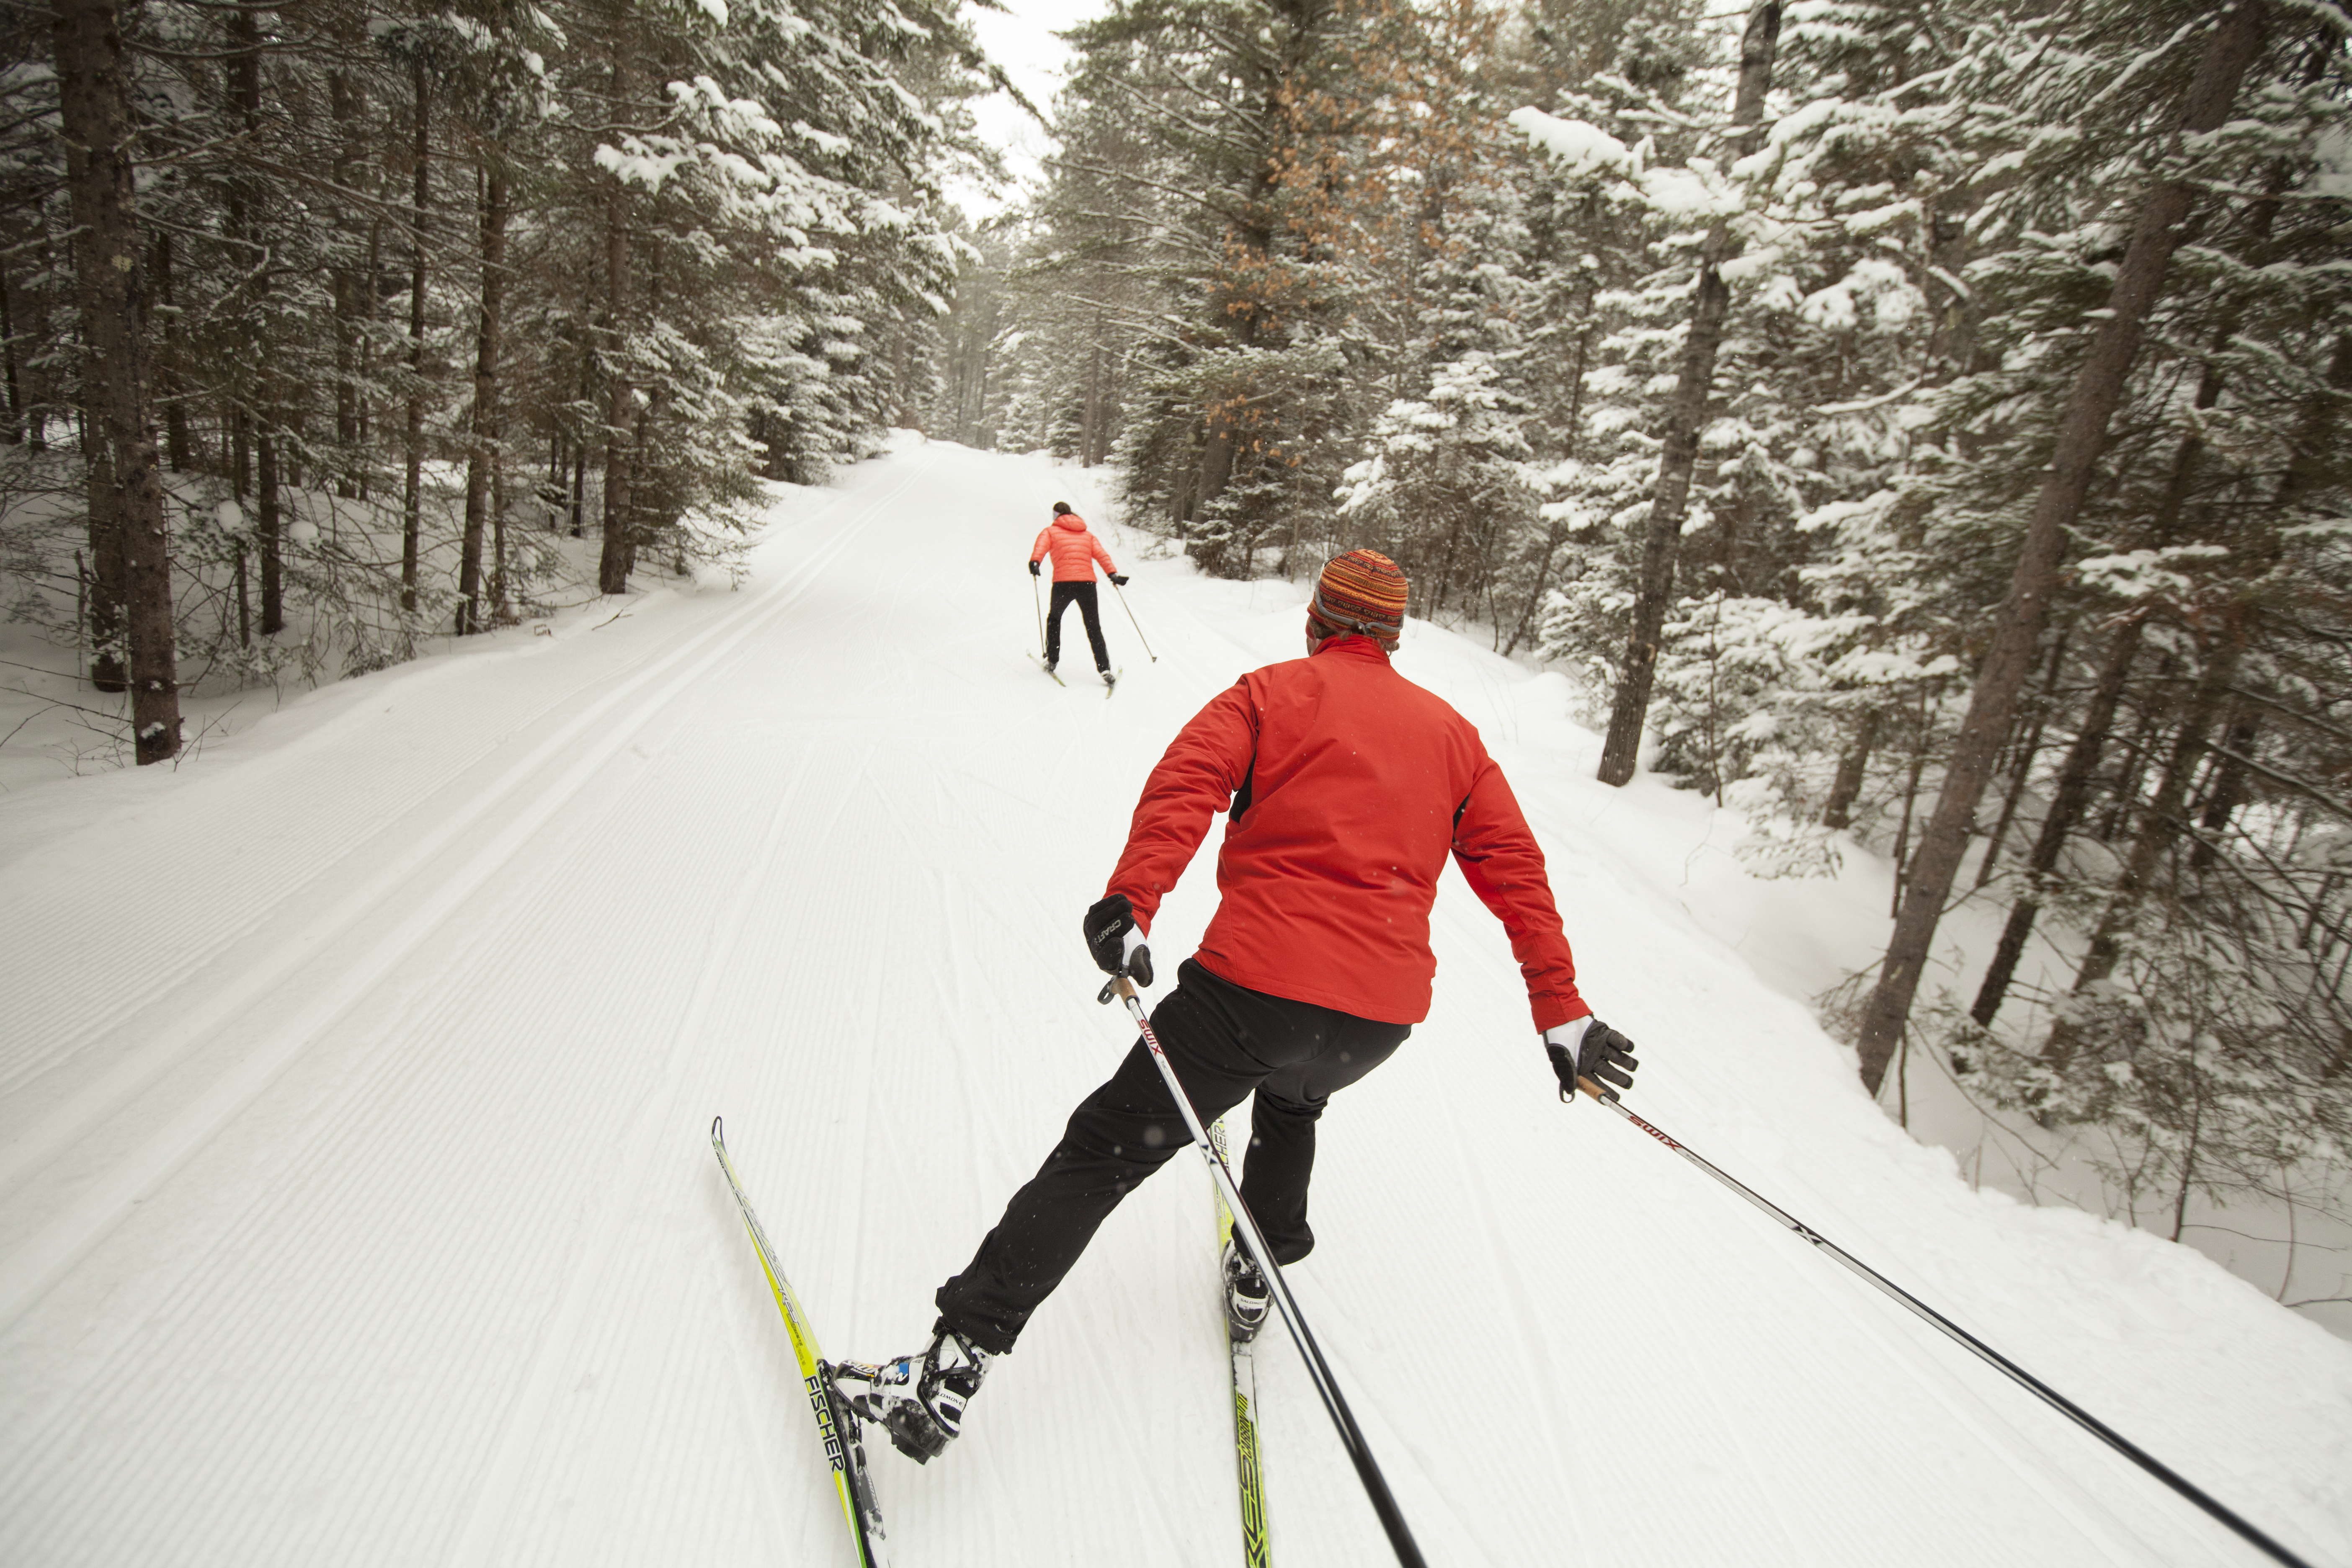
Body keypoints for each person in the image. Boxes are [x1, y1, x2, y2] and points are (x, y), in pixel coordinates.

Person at [846, 548, 1639, 1463]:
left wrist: (1131, 906)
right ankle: (1261, 1265)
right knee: (1295, 1099)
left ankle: (955, 1359)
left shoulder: (1267, 695)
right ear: (1393, 635)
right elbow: (1519, 877)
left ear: (1319, 621)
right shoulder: (1454, 737)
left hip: (1248, 999)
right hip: (1372, 1024)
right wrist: (1562, 1013)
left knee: (1102, 1155)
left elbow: (1186, 788)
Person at [1030, 501, 1127, 686]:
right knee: (1093, 626)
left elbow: (1041, 548)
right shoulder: (1088, 535)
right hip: (1087, 585)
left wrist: (1035, 563)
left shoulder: (1050, 532)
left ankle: (1052, 660)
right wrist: (1113, 574)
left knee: (1055, 619)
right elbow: (1102, 555)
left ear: (1056, 515)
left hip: (1063, 584)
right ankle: (1105, 668)